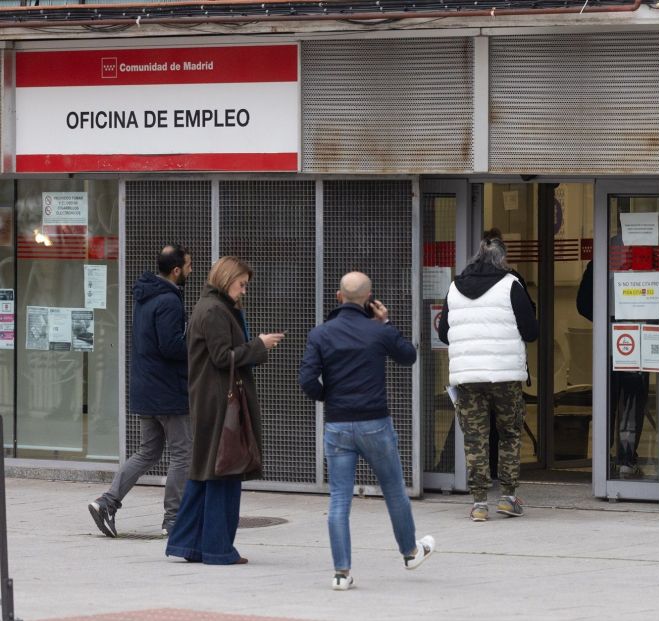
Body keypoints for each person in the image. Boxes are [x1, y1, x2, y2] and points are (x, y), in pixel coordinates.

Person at [299, 271, 435, 591]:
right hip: (376, 424)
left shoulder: (320, 334)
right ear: (370, 299)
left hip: (337, 425)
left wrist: (329, 398)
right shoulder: (377, 332)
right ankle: (410, 552)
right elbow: (409, 356)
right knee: (394, 490)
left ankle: (341, 573)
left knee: (338, 500)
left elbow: (306, 381)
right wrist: (386, 323)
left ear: (338, 296)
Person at [165, 256, 284, 565]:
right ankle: (217, 549)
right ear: (226, 279)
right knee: (224, 469)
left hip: (211, 399)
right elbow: (222, 357)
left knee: (205, 471)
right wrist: (259, 344)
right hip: (219, 402)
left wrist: (256, 346)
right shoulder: (215, 311)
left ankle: (188, 544)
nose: (244, 290)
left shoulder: (210, 307)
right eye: (241, 284)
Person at [89, 245, 193, 538]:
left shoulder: (146, 297)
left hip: (146, 389)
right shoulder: (169, 301)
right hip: (168, 392)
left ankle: (106, 502)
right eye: (188, 266)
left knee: (149, 451)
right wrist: (196, 343)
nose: (191, 271)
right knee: (182, 453)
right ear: (176, 271)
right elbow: (171, 346)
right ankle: (174, 521)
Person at [437, 236, 538, 522]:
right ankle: (507, 497)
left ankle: (479, 502)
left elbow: (444, 332)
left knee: (474, 437)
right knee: (509, 434)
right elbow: (531, 331)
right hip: (505, 377)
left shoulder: (454, 287)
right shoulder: (511, 285)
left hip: (467, 378)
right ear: (501, 260)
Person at [576, 244, 649, 479]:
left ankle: (603, 459)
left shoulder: (599, 262)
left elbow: (583, 304)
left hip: (608, 345)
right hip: (636, 342)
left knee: (607, 401)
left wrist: (607, 322)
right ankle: (626, 460)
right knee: (631, 403)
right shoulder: (645, 263)